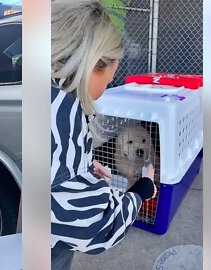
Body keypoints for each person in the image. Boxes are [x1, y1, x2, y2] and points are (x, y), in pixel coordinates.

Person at [50, 1, 157, 269]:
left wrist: (82, 169)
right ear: (93, 64)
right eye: (109, 81)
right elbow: (95, 226)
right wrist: (141, 192)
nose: (105, 90)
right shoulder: (62, 112)